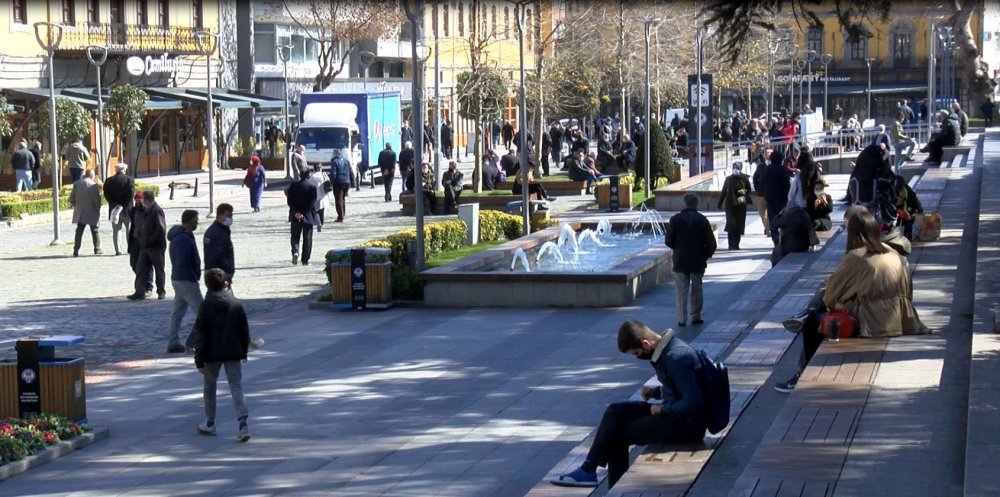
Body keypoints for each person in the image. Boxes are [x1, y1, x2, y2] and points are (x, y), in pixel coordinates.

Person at [775, 207, 927, 392]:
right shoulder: (893, 252)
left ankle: (801, 374)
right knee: (819, 312)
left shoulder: (856, 257)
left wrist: (835, 303)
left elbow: (832, 294)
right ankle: (806, 316)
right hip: (900, 316)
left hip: (871, 321)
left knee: (813, 324)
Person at [551, 320, 707, 488]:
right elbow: (679, 388)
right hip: (674, 413)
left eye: (637, 352)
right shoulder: (666, 350)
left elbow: (695, 401)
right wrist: (655, 392)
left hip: (687, 425)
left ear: (646, 343)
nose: (638, 356)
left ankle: (613, 488)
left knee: (617, 435)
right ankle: (588, 469)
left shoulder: (675, 357)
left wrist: (662, 408)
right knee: (615, 411)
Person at [189, 268, 251, 443]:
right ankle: (243, 425)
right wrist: (243, 351)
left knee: (209, 387)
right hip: (233, 352)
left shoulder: (206, 306)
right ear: (226, 284)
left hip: (210, 353)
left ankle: (210, 422)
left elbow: (199, 333)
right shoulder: (236, 304)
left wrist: (198, 359)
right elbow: (244, 331)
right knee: (236, 386)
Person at [665, 193, 717, 327]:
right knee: (697, 289)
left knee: (681, 290)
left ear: (684, 203)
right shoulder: (702, 220)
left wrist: (677, 248)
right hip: (697, 260)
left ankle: (681, 319)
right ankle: (695, 316)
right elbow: (712, 243)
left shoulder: (675, 219)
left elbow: (668, 241)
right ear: (696, 204)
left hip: (680, 260)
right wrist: (705, 255)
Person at [167, 210, 202, 354]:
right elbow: (181, 261)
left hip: (178, 278)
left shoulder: (180, 236)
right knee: (203, 313)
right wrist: (193, 274)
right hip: (186, 279)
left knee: (178, 312)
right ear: (187, 221)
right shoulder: (183, 239)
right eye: (195, 221)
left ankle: (173, 341)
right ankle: (192, 344)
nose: (196, 223)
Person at [128, 190, 167, 300]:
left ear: (146, 199)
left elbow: (160, 229)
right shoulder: (147, 210)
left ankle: (161, 291)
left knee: (159, 269)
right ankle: (139, 291)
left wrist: (150, 240)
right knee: (140, 268)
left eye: (143, 199)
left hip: (155, 246)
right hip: (144, 245)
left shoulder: (156, 210)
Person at [286, 167, 319, 265]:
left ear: (300, 175)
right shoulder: (312, 188)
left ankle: (295, 251)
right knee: (307, 238)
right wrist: (303, 213)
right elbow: (311, 203)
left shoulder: (293, 186)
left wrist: (296, 212)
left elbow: (289, 201)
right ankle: (305, 260)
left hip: (295, 216)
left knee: (295, 237)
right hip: (307, 216)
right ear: (309, 175)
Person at [103, 163, 135, 256]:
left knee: (116, 230)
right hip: (126, 209)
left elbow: (106, 194)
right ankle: (130, 249)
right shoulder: (129, 180)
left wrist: (115, 204)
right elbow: (131, 194)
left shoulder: (108, 181)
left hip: (114, 210)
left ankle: (118, 250)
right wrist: (123, 204)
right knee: (129, 230)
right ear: (124, 170)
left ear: (116, 170)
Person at [718, 162, 752, 250]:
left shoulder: (744, 178)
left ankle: (736, 244)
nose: (735, 169)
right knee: (731, 224)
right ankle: (730, 245)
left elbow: (749, 189)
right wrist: (720, 204)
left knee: (739, 224)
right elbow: (723, 192)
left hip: (741, 202)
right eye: (734, 167)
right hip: (730, 203)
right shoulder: (728, 179)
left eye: (737, 167)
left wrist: (741, 191)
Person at [70, 169, 103, 257]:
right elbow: (97, 201)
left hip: (80, 211)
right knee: (95, 230)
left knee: (79, 231)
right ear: (92, 176)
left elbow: (71, 198)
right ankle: (97, 249)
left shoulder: (77, 184)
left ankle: (76, 250)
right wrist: (98, 209)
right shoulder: (94, 185)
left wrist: (77, 206)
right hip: (92, 211)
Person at [128, 191, 154, 296]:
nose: (137, 203)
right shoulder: (134, 211)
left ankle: (147, 287)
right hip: (135, 240)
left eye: (139, 201)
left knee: (147, 264)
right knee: (134, 263)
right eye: (136, 201)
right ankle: (142, 284)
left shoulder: (149, 211)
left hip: (145, 241)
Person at [203, 203, 235, 285]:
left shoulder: (220, 230)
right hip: (219, 276)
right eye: (228, 216)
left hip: (217, 274)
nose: (230, 219)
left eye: (231, 216)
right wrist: (227, 271)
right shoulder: (217, 233)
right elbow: (217, 255)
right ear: (220, 215)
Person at [329, 149, 351, 223]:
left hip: (338, 182)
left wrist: (331, 182)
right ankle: (343, 214)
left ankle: (340, 217)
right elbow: (350, 171)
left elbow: (333, 174)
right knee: (343, 198)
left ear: (335, 154)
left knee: (338, 199)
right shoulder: (346, 161)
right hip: (346, 182)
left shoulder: (334, 162)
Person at [309, 164, 331, 231]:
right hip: (323, 196)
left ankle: (318, 223)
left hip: (315, 196)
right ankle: (321, 223)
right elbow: (328, 183)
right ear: (321, 168)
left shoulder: (312, 176)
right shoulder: (324, 175)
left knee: (316, 211)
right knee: (322, 211)